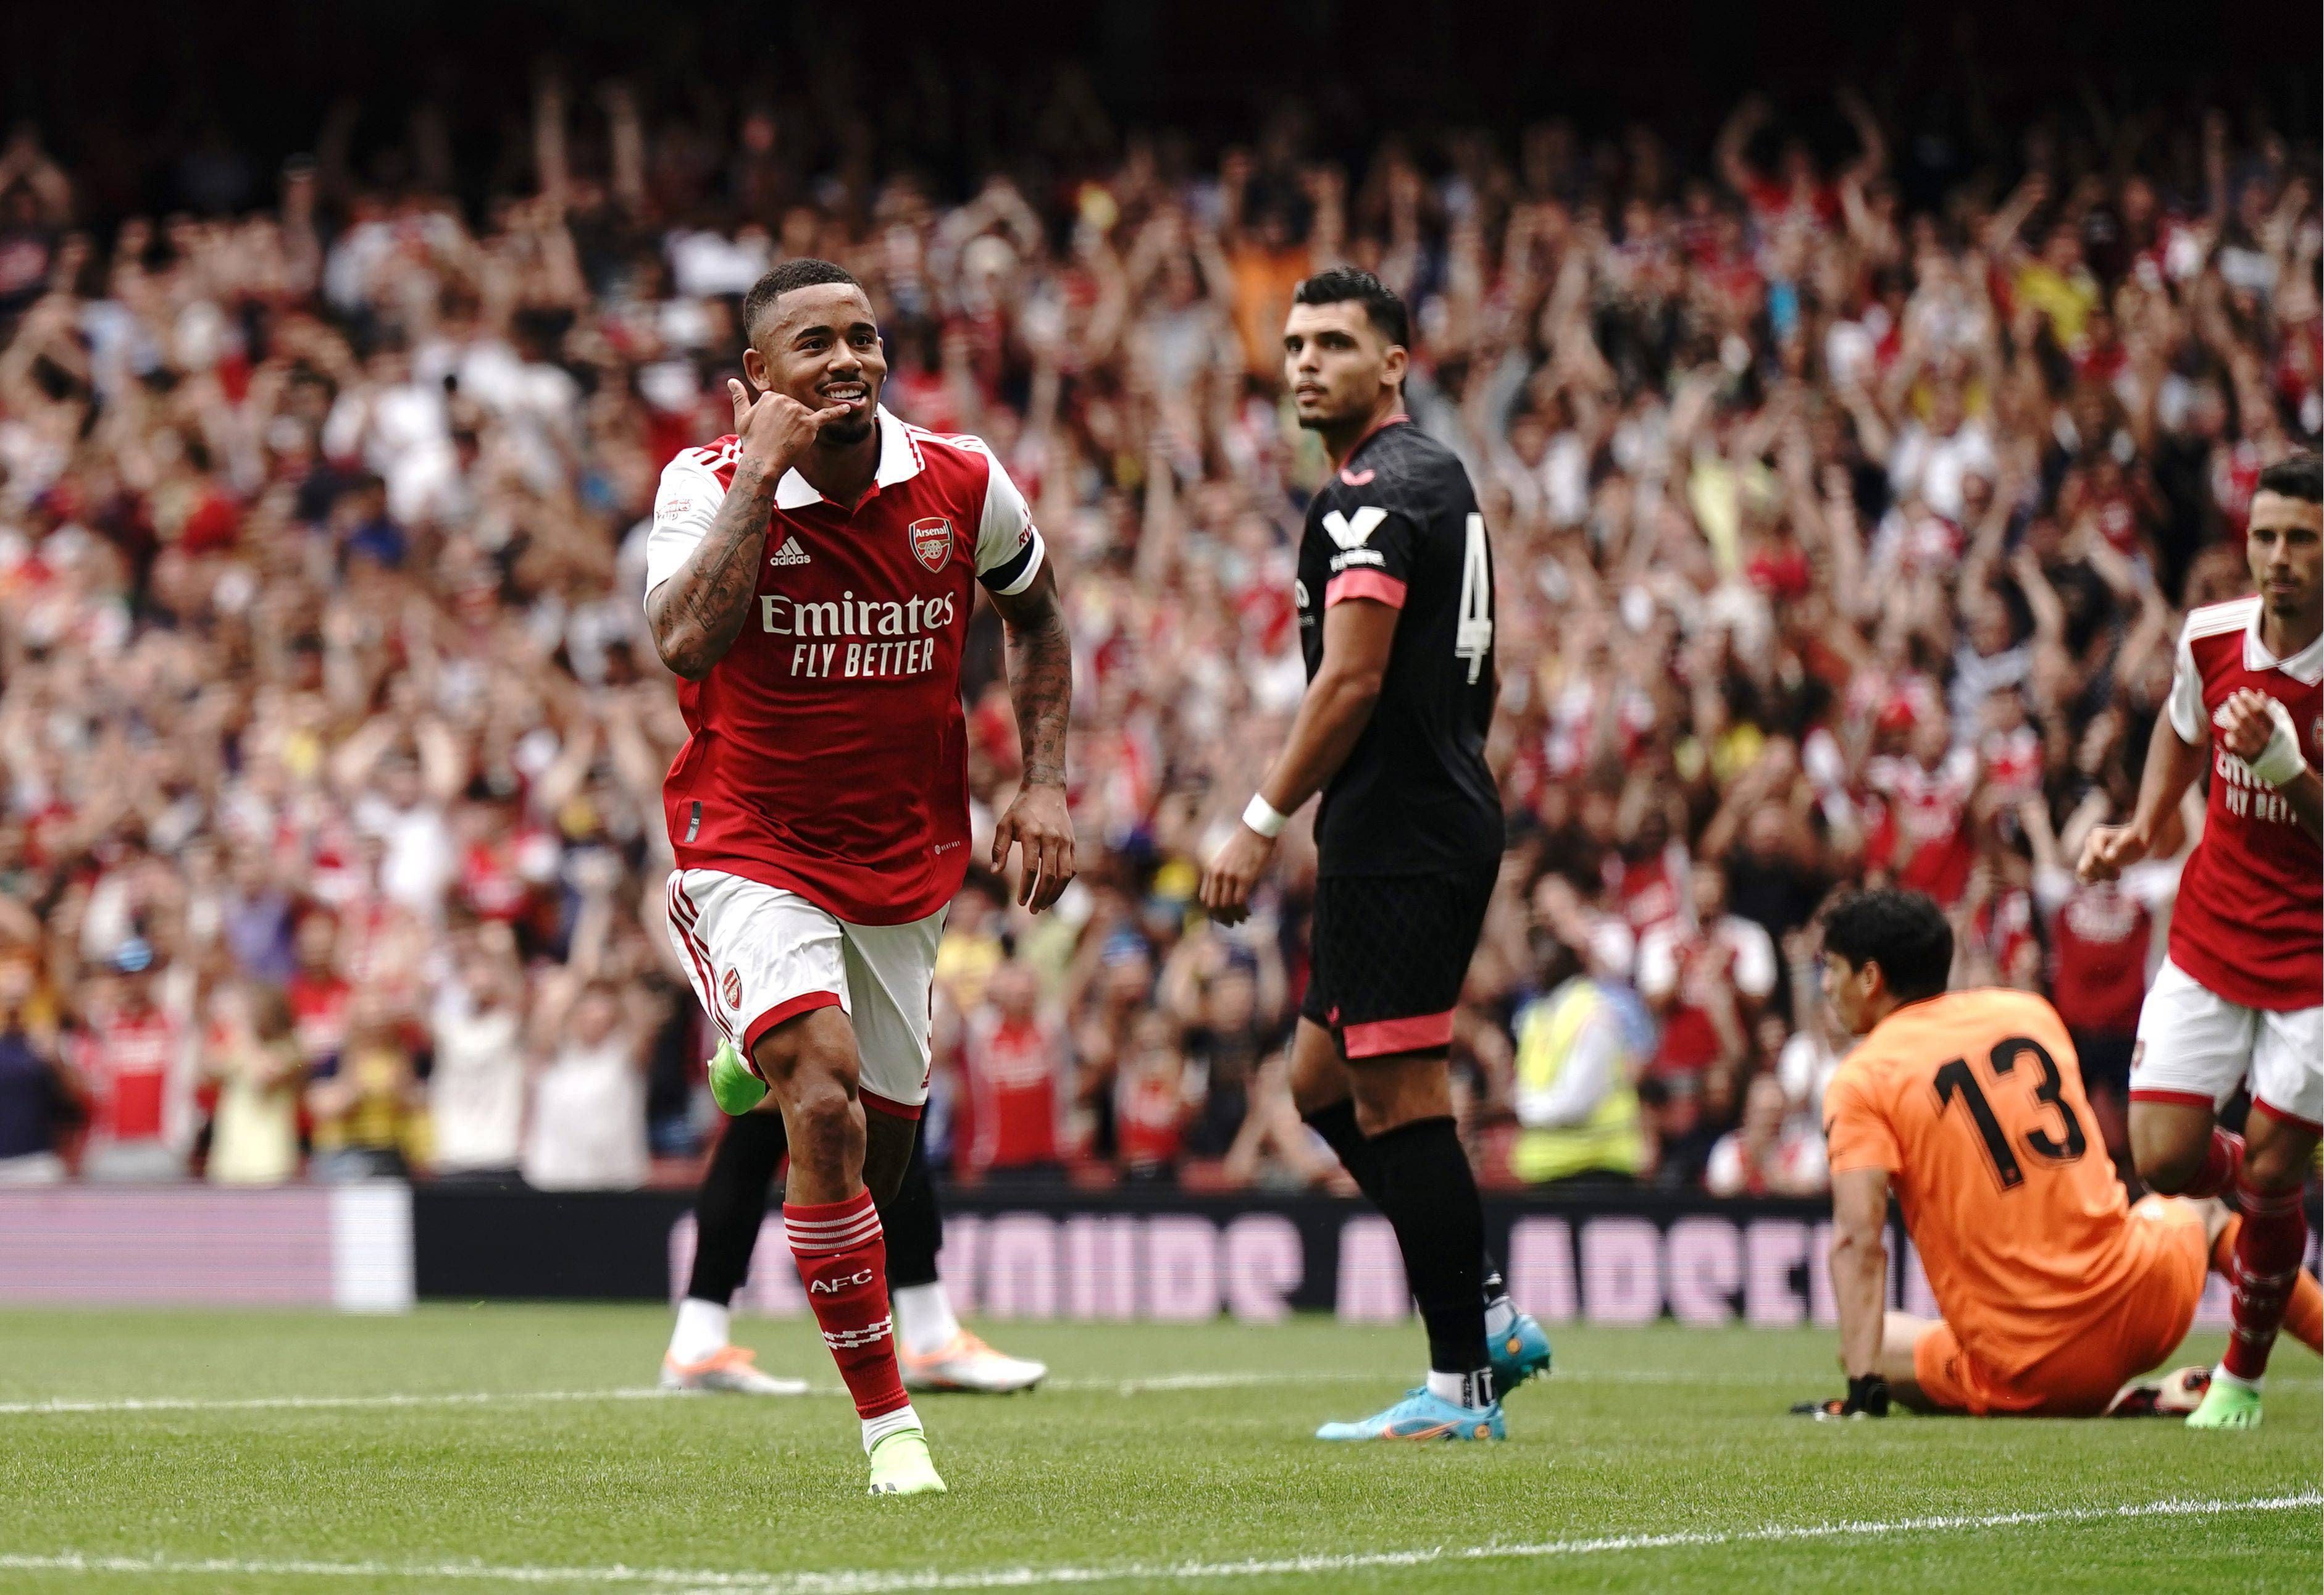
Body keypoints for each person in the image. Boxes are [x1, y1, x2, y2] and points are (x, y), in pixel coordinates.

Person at [642, 258, 1074, 1495]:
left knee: (873, 1169)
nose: (846, 359)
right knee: (820, 1099)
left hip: (904, 859)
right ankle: (892, 1430)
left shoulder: (963, 479)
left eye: (863, 338)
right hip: (749, 840)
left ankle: (750, 1047)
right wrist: (763, 478)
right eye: (813, 344)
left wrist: (1042, 782)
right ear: (756, 383)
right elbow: (683, 637)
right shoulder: (706, 484)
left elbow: (1038, 617)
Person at [1199, 267, 1548, 1442]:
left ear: (1392, 363)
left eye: (1333, 343)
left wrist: (1255, 821)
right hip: (1408, 815)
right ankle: (1484, 1308)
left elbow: (1349, 675)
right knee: (1317, 1085)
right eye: (1293, 343)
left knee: (1400, 1094)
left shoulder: (1370, 490)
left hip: (1398, 830)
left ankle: (1460, 1385)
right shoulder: (1429, 477)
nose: (1302, 361)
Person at [1801, 889, 2320, 1419]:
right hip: (2143, 1303)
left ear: (1870, 978)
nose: (1825, 984)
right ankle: (2154, 1392)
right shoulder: (2029, 1011)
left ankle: (2113, 1400)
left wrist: (1862, 1390)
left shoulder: (1863, 1076)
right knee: (2205, 1213)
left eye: (1832, 967)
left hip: (2028, 1370)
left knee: (1869, 1340)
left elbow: (1858, 1239)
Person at [2077, 451, 2323, 1431]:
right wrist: (2143, 826)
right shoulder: (2213, 636)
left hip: (2314, 963)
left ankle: (2243, 1374)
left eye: (2302, 538)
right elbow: (2182, 727)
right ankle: (2269, 1178)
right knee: (2167, 1155)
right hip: (2213, 930)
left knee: (2269, 1174)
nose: (2280, 557)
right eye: (2266, 536)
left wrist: (2283, 763)